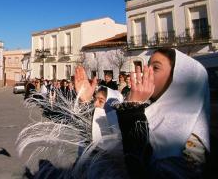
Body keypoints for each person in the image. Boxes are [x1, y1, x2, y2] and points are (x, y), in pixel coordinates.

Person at [76, 48, 210, 178]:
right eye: (147, 67)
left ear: (178, 79)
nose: (145, 74)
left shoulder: (191, 141)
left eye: (155, 68)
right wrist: (86, 100)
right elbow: (101, 140)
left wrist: (133, 110)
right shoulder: (148, 111)